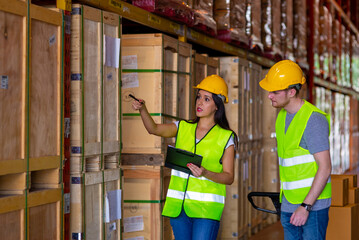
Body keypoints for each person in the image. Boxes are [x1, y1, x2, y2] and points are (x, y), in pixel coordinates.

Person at [132, 74, 238, 240]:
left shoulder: (226, 137)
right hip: (178, 208)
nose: (199, 102)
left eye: (207, 99)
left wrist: (205, 173)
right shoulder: (182, 127)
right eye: (199, 97)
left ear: (217, 105)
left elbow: (229, 177)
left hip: (206, 210)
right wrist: (142, 109)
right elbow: (153, 129)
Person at [259, 60, 332, 240]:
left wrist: (306, 206)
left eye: (275, 91)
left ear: (291, 92)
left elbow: (325, 168)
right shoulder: (282, 117)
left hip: (311, 208)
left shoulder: (313, 120)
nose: (269, 95)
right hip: (289, 204)